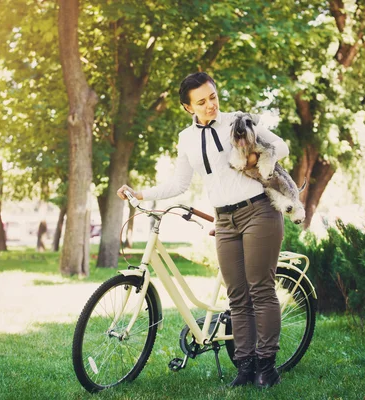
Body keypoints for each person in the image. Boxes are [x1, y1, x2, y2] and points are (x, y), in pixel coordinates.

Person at [117, 72, 288, 389]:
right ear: (187, 107)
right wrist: (141, 194)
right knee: (237, 296)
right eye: (201, 101)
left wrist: (259, 157)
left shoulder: (237, 121)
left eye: (212, 96)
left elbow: (281, 146)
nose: (210, 104)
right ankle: (246, 366)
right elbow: (178, 184)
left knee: (260, 290)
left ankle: (267, 366)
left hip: (258, 212)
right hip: (224, 221)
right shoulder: (186, 139)